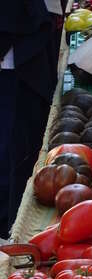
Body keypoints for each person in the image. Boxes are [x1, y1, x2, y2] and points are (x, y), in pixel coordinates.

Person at [0, 0, 63, 239]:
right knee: (12, 149)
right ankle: (8, 225)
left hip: (17, 51)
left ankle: (9, 223)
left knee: (14, 147)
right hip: (12, 59)